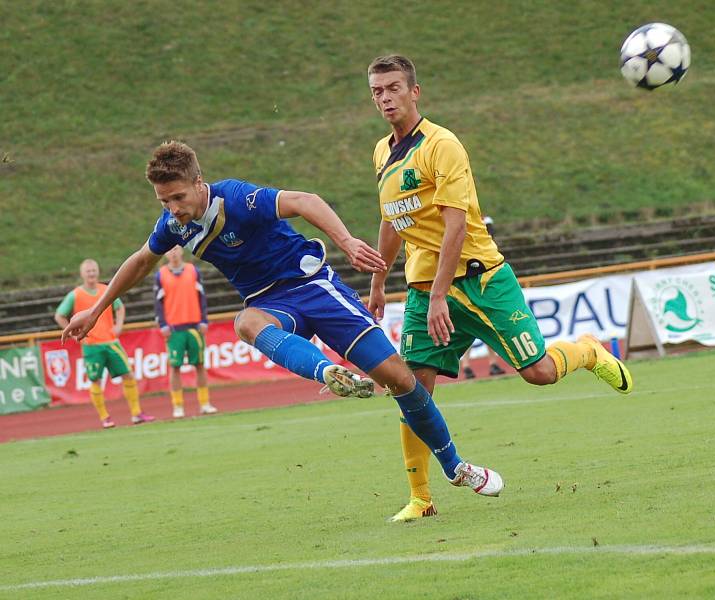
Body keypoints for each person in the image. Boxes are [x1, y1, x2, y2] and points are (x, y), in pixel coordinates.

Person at [61, 140, 503, 503]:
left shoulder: (235, 197)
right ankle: (327, 372)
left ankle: (455, 466)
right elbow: (141, 261)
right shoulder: (173, 226)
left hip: (314, 288)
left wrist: (347, 241)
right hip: (270, 302)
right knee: (245, 323)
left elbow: (305, 200)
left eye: (178, 197)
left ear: (199, 183)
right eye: (164, 201)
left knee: (401, 382)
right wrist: (96, 309)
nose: (173, 208)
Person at [366, 54, 634, 522]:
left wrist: (437, 297)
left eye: (392, 88)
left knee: (540, 374)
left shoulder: (443, 146)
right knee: (411, 388)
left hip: (481, 279)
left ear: (415, 91)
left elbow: (455, 227)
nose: (385, 98)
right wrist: (378, 280)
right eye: (376, 91)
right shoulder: (380, 153)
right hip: (424, 286)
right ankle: (421, 498)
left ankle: (589, 351)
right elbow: (393, 220)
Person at [54, 259, 155, 429]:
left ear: (98, 272)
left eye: (93, 270)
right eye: (88, 271)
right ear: (82, 274)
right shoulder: (75, 295)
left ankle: (137, 413)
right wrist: (72, 333)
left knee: (128, 375)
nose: (91, 273)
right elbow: (59, 315)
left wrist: (118, 326)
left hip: (111, 342)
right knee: (95, 380)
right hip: (91, 345)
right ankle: (105, 417)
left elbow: (119, 307)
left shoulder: (105, 290)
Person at [154, 245, 217, 418]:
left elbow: (201, 297)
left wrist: (204, 320)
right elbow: (158, 303)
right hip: (174, 328)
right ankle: (178, 406)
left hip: (195, 326)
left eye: (175, 249)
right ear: (165, 254)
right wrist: (163, 324)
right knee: (175, 367)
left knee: (200, 365)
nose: (173, 253)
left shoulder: (193, 270)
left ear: (181, 250)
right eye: (169, 250)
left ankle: (204, 403)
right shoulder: (161, 275)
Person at [460, 216, 505, 379]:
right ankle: (471, 364)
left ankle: (481, 364)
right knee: (479, 327)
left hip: (475, 287)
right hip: (476, 287)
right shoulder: (477, 241)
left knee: (481, 327)